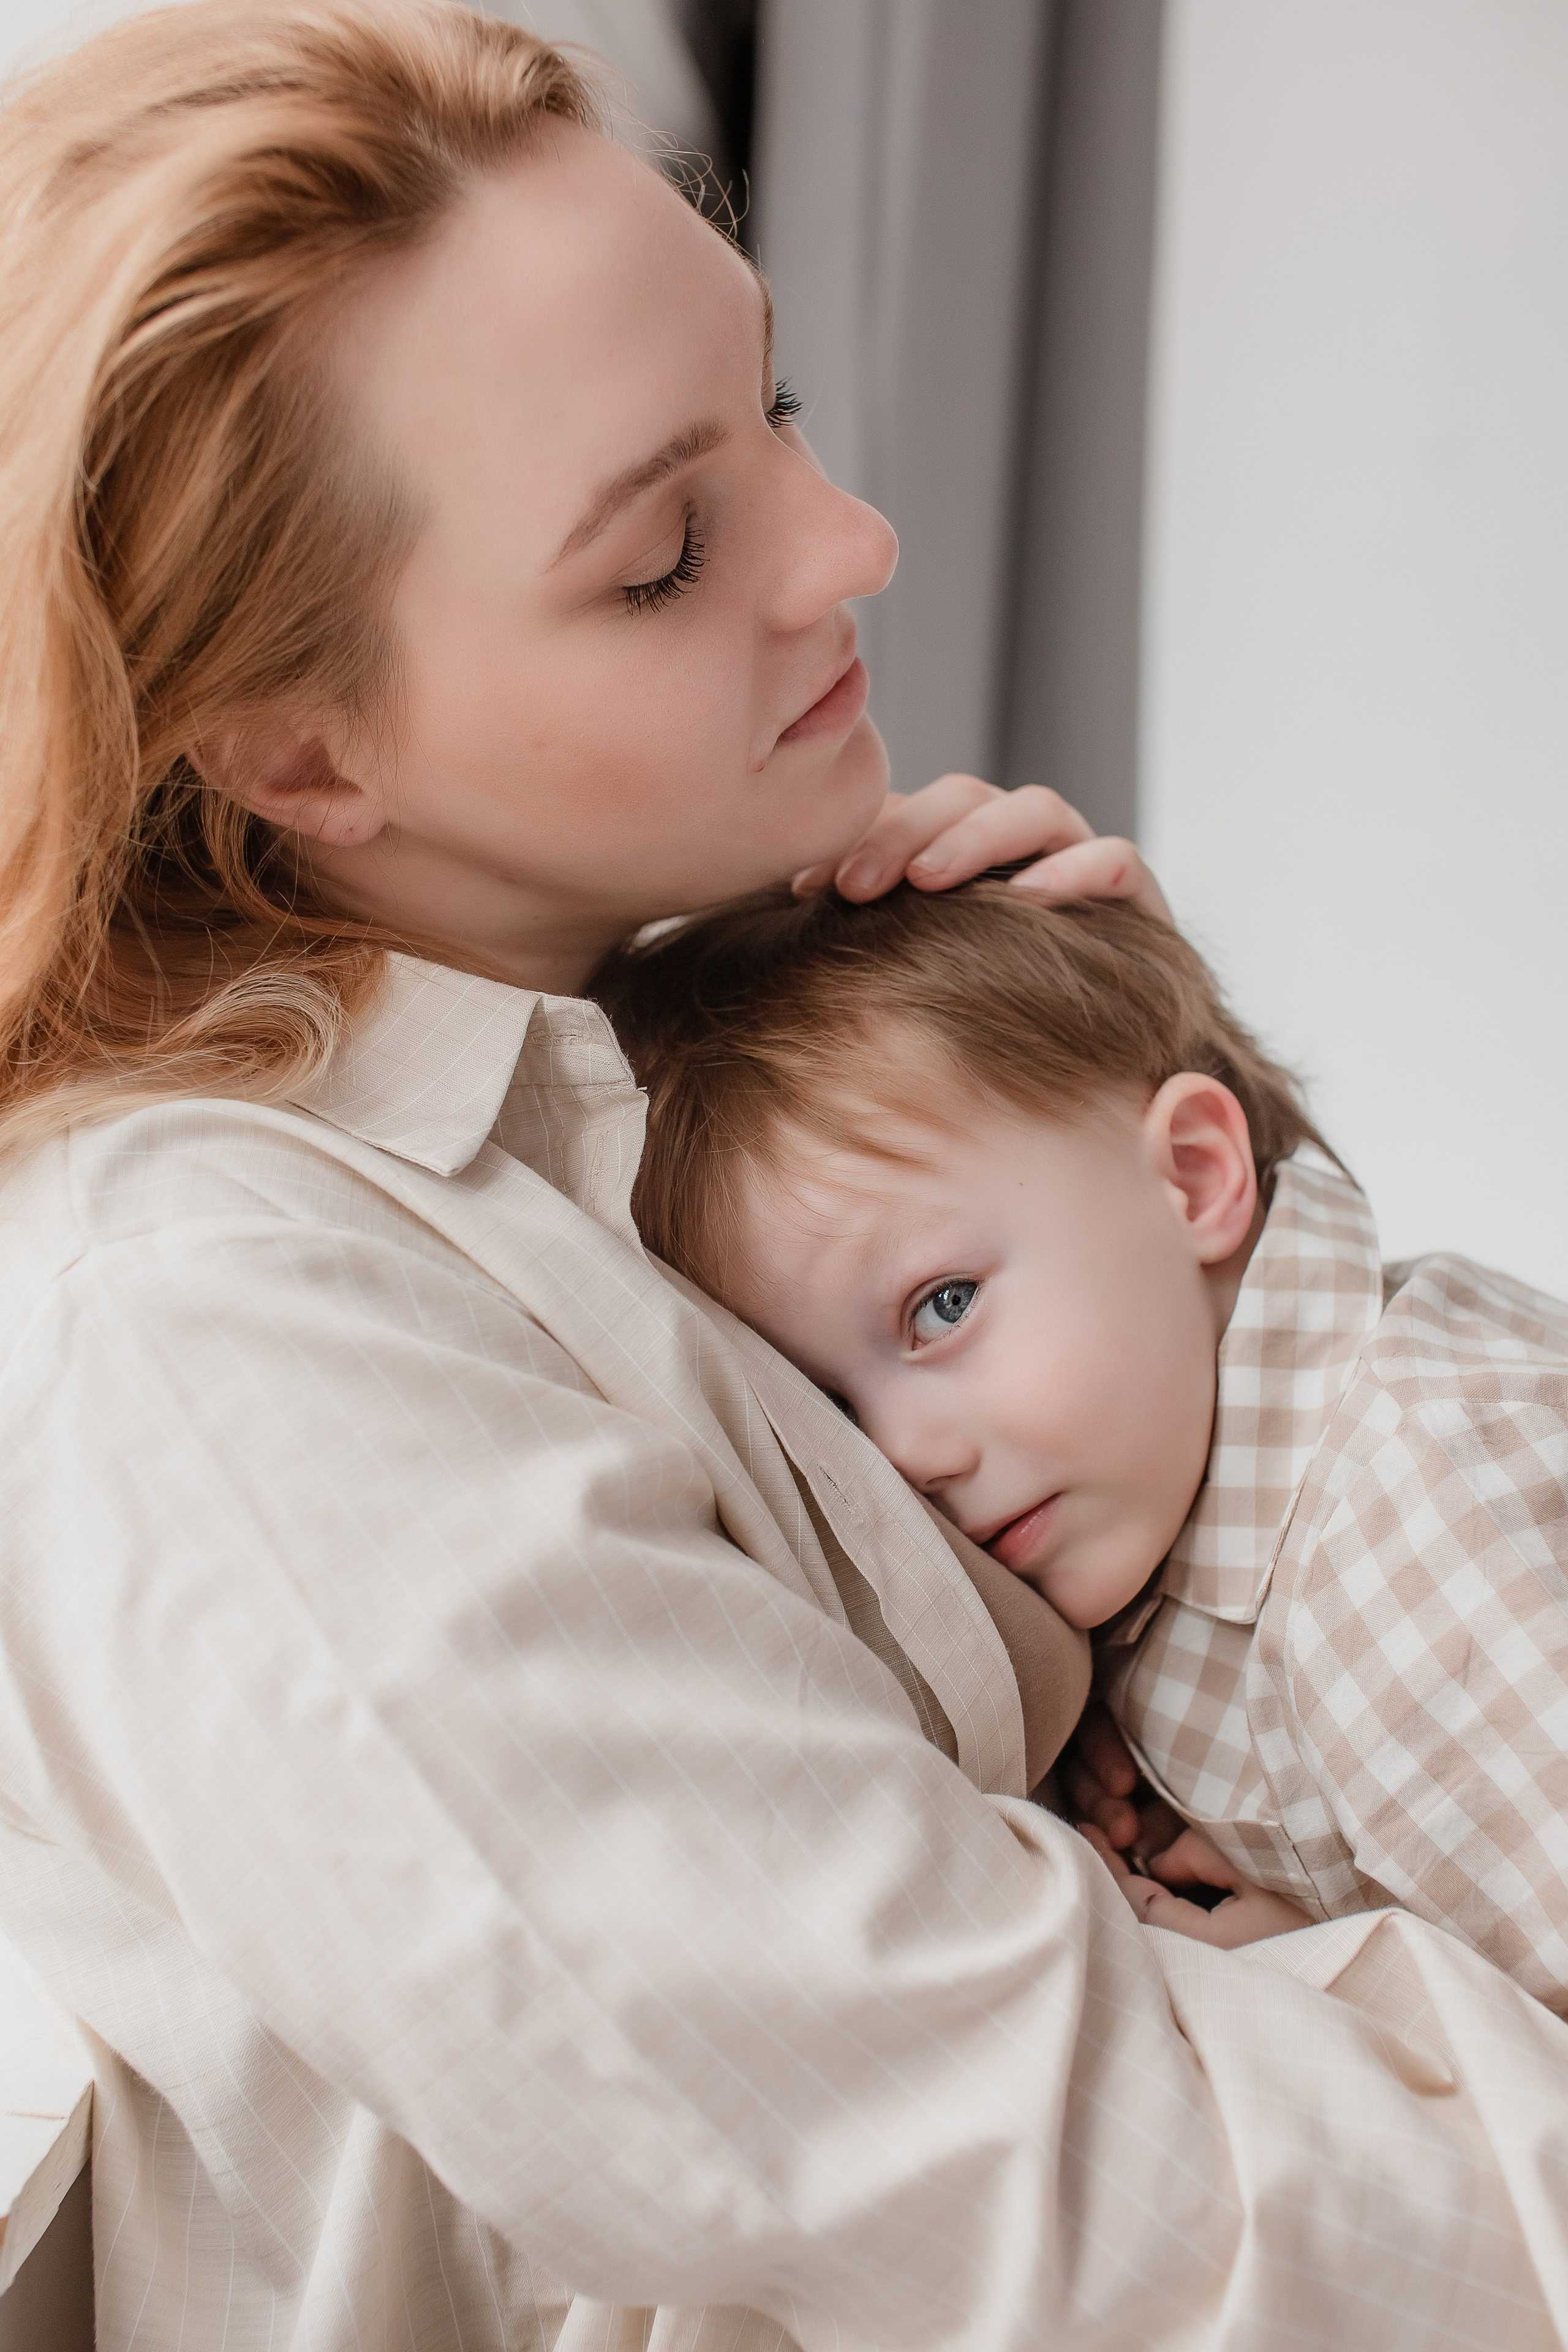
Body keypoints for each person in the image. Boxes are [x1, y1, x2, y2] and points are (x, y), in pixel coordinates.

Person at [3, 4, 1568, 2346]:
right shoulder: (217, 1336)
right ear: (290, 748)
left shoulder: (637, 1059)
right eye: (663, 553)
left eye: (783, 405)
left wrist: (1127, 1132)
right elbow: (1097, 2218)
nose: (857, 540)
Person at [602, 875, 1568, 2005]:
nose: (907, 1458)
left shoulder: (1425, 1531)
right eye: (839, 1420)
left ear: (1196, 1176)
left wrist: (1345, 1987)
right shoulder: (1162, 1488)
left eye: (944, 1306)